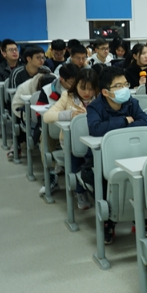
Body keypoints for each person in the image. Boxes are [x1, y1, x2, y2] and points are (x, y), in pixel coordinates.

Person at [86, 66, 147, 244]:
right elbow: (96, 129)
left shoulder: (131, 102)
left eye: (125, 84)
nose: (124, 89)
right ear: (105, 92)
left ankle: (140, 217)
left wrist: (118, 128)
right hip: (102, 159)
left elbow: (145, 122)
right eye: (118, 86)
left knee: (142, 176)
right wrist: (124, 120)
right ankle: (109, 221)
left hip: (130, 153)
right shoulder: (95, 107)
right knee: (107, 183)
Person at [43, 68, 99, 208]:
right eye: (83, 88)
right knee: (76, 158)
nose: (87, 93)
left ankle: (97, 191)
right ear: (76, 85)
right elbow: (47, 116)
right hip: (71, 142)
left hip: (93, 141)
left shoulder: (99, 99)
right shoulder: (67, 96)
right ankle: (80, 192)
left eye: (91, 89)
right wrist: (70, 114)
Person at [0, 39, 22, 107]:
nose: (14, 52)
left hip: (21, 99)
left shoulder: (23, 68)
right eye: (11, 50)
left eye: (16, 49)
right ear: (4, 54)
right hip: (4, 102)